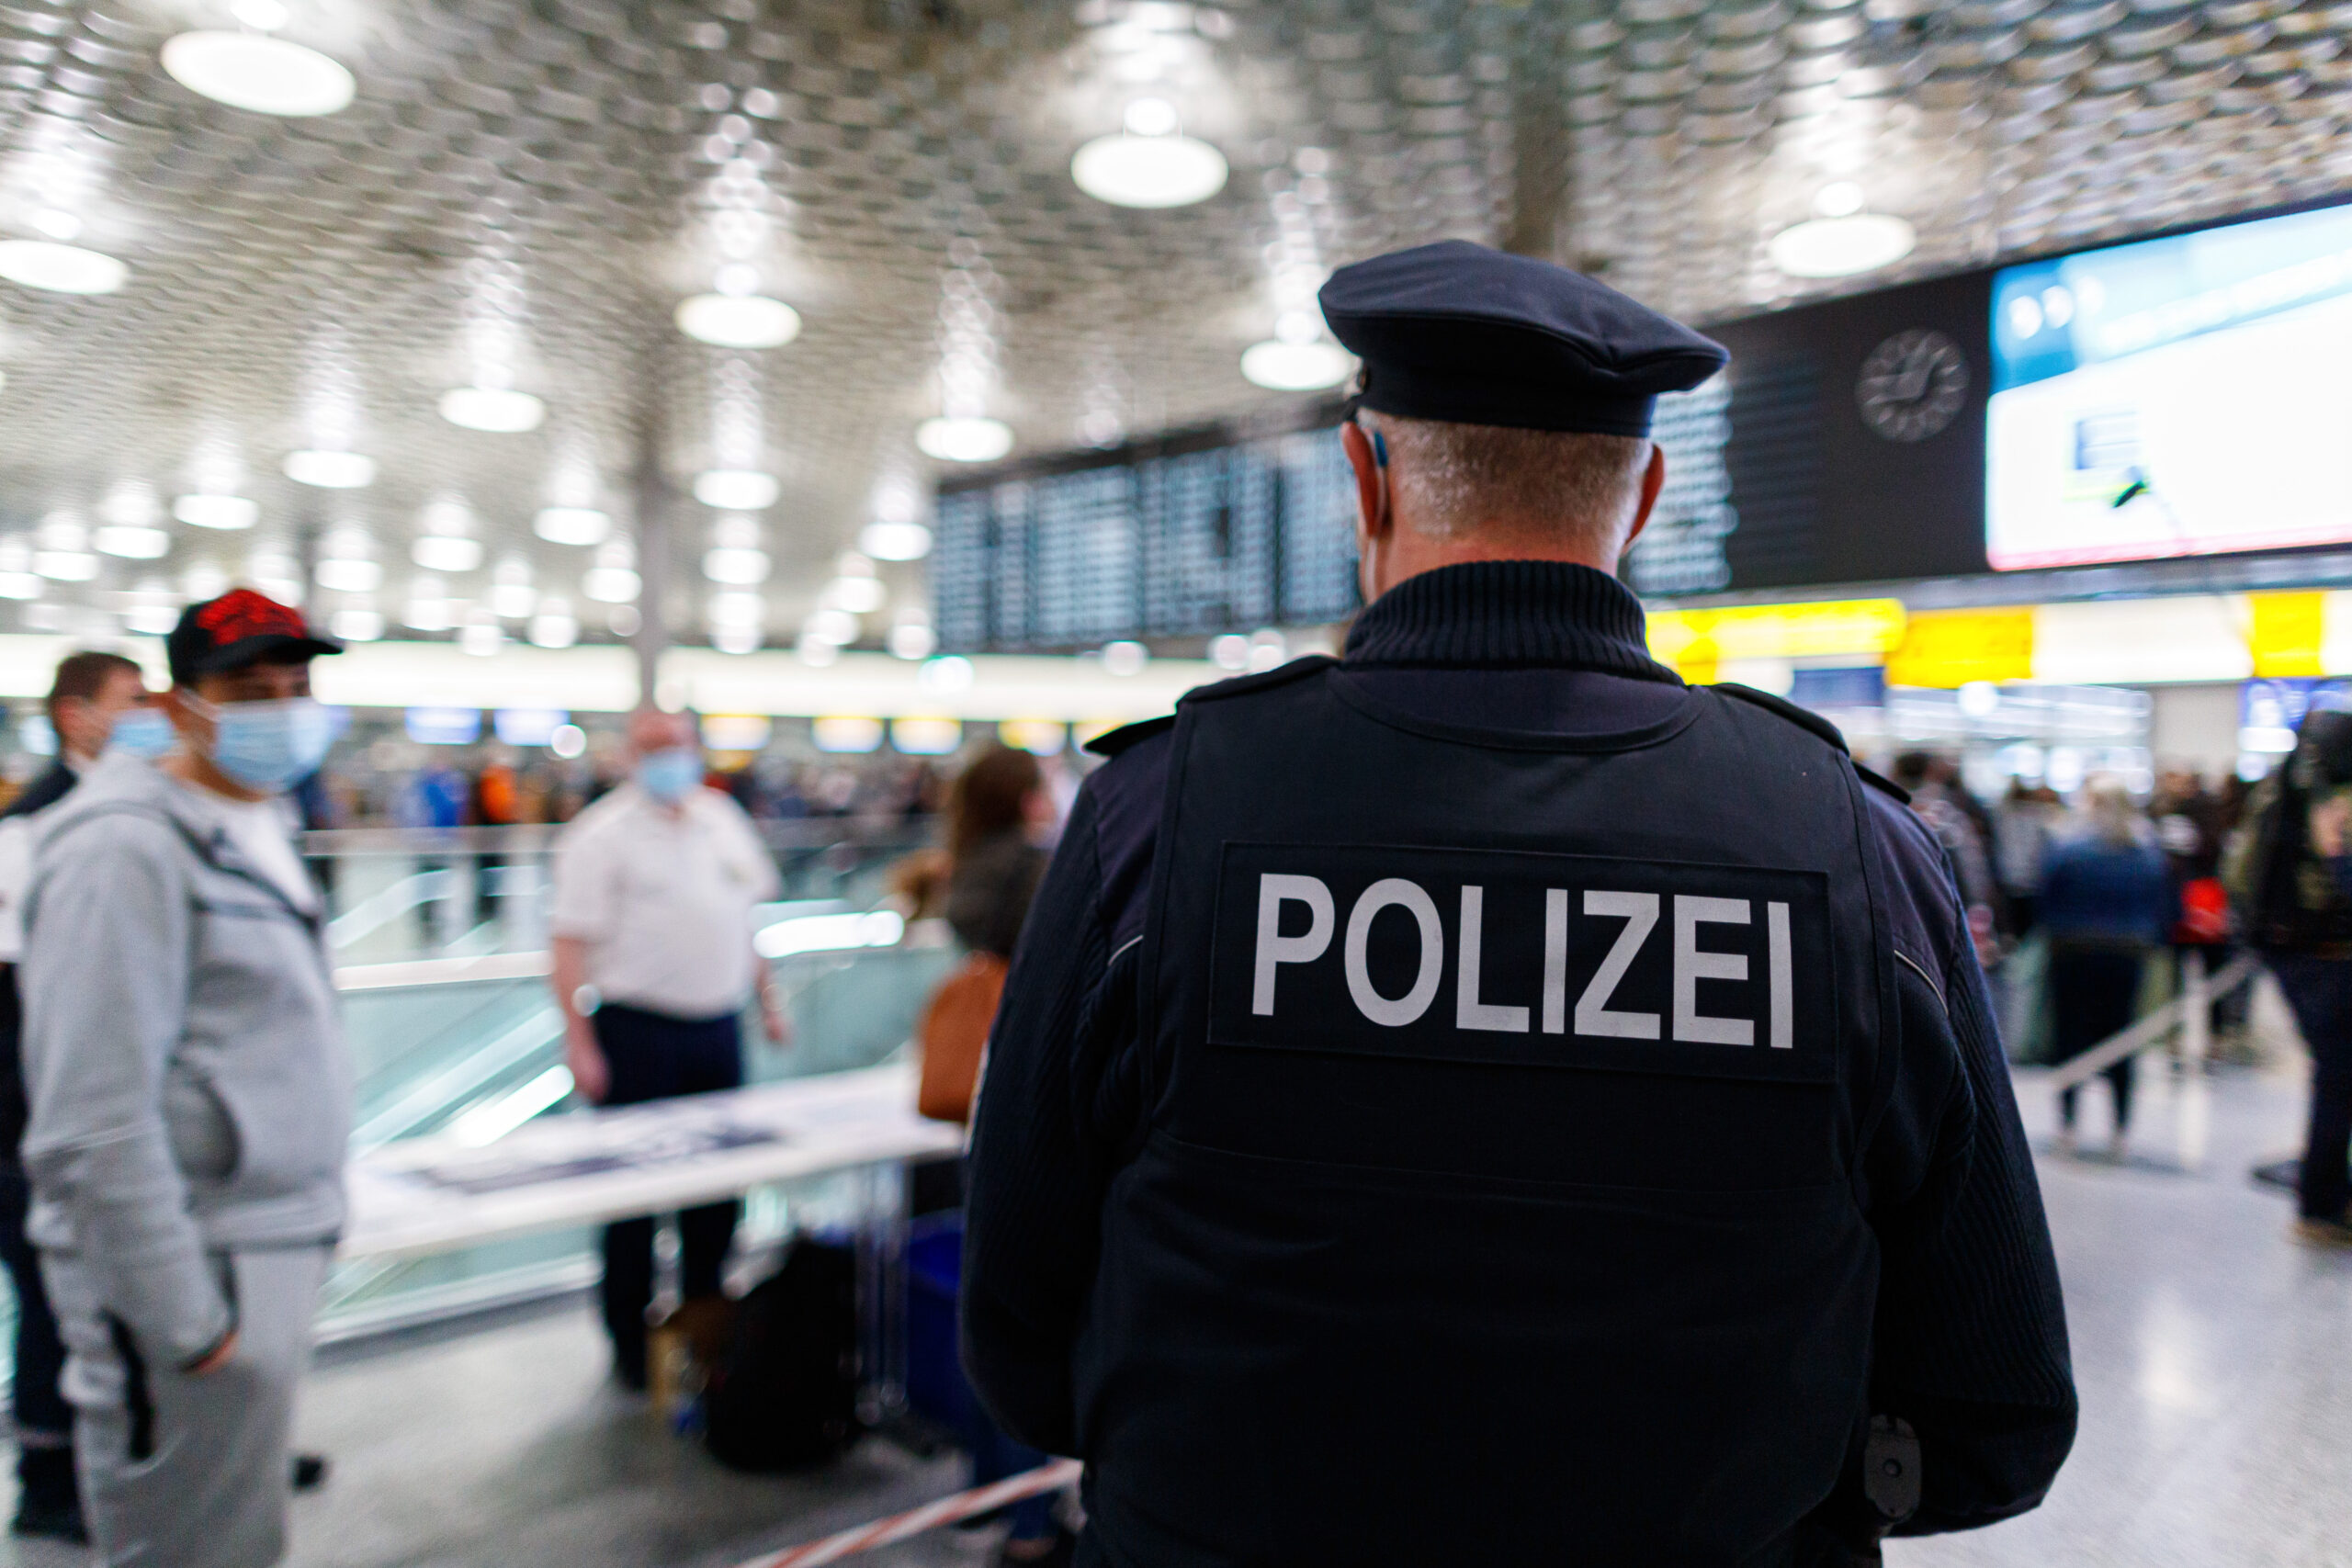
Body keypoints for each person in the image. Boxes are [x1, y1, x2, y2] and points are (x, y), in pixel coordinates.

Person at [962, 241, 2075, 1566]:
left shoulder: (1158, 817)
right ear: (1647, 495)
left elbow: (1021, 1334)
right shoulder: (1853, 848)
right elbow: (1992, 1405)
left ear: (1363, 477)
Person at [19, 590, 350, 1568]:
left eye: (297, 685)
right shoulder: (123, 846)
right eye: (250, 690)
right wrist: (186, 1325)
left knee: (237, 1539)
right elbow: (90, 1118)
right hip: (194, 1276)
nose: (283, 709)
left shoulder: (250, 821)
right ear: (176, 707)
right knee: (187, 1548)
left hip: (259, 1249)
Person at [548, 706, 787, 1390]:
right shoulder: (601, 837)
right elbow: (568, 943)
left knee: (716, 1194)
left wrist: (768, 1001)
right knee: (634, 1197)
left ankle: (705, 1327)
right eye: (651, 746)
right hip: (636, 1032)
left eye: (676, 744)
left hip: (718, 1028)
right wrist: (580, 1040)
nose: (666, 757)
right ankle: (630, 1344)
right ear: (628, 754)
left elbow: (745, 919)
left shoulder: (721, 818)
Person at [0, 650, 158, 1541]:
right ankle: (49, 1482)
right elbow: (25, 997)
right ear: (74, 716)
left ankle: (152, 1454)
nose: (148, 720)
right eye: (129, 704)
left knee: (131, 1293)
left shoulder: (147, 812)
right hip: (35, 1116)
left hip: (121, 1103)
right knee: (55, 1299)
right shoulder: (32, 827)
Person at [920, 744, 1065, 1564]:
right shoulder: (1037, 867)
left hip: (976, 1092)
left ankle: (985, 1489)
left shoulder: (965, 864)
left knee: (987, 1294)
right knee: (1030, 1308)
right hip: (1024, 1081)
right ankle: (1030, 1520)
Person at [2234, 709, 2352, 1245]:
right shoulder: (2329, 802)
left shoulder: (2281, 789)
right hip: (2323, 957)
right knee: (2338, 1078)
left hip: (2289, 950)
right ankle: (2320, 1206)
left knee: (2336, 1078)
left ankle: (2327, 1198)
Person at [2037, 781, 2174, 1159]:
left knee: (2070, 1036)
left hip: (2072, 952)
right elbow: (2161, 905)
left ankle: (2068, 1125)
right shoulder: (2145, 853)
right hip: (2126, 955)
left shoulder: (2067, 849)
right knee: (2122, 1041)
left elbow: (2045, 896)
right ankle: (2120, 1130)